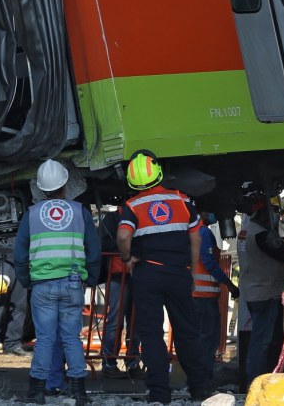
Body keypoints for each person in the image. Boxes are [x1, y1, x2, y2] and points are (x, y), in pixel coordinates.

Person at [116, 150, 212, 404]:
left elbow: (124, 237)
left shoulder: (132, 207)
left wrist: (128, 259)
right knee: (187, 332)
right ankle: (199, 389)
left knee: (151, 333)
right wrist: (190, 269)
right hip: (178, 272)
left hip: (148, 272)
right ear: (158, 173)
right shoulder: (182, 201)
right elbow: (195, 239)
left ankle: (159, 393)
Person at [14, 159, 100, 405]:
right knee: (72, 338)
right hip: (73, 283)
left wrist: (25, 280)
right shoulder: (79, 211)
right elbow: (93, 249)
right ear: (65, 184)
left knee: (45, 339)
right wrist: (91, 278)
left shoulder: (31, 215)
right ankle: (79, 393)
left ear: (41, 188)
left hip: (42, 285)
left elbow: (20, 254)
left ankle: (37, 392)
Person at [237, 192, 284, 389]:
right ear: (262, 213)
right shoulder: (260, 234)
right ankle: (255, 383)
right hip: (264, 292)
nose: (274, 215)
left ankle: (256, 380)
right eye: (272, 211)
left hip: (255, 291)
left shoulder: (246, 231)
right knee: (262, 341)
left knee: (262, 340)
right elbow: (282, 255)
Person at [98, 203, 143, 378]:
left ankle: (132, 361)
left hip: (135, 275)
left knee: (135, 322)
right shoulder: (113, 218)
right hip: (118, 277)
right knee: (115, 321)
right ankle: (109, 362)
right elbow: (105, 243)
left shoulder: (136, 216)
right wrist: (130, 246)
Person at [193, 211, 239, 379]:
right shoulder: (203, 231)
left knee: (198, 337)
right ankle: (204, 377)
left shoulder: (189, 230)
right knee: (208, 338)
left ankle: (197, 376)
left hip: (193, 294)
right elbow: (208, 260)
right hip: (204, 295)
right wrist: (228, 283)